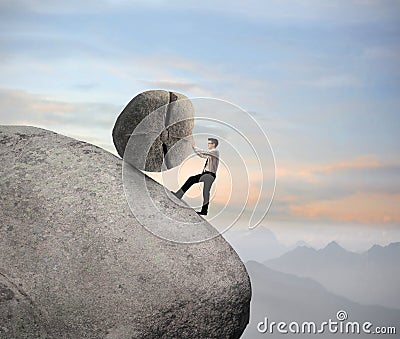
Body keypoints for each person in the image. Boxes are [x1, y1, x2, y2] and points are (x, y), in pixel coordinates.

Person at [173, 138, 219, 215]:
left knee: (192, 180)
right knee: (205, 192)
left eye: (209, 143)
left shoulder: (215, 151)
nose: (208, 145)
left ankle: (179, 194)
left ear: (213, 144)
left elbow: (203, 152)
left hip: (209, 175)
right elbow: (202, 155)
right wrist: (194, 149)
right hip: (208, 175)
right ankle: (204, 211)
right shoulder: (211, 153)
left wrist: (194, 147)